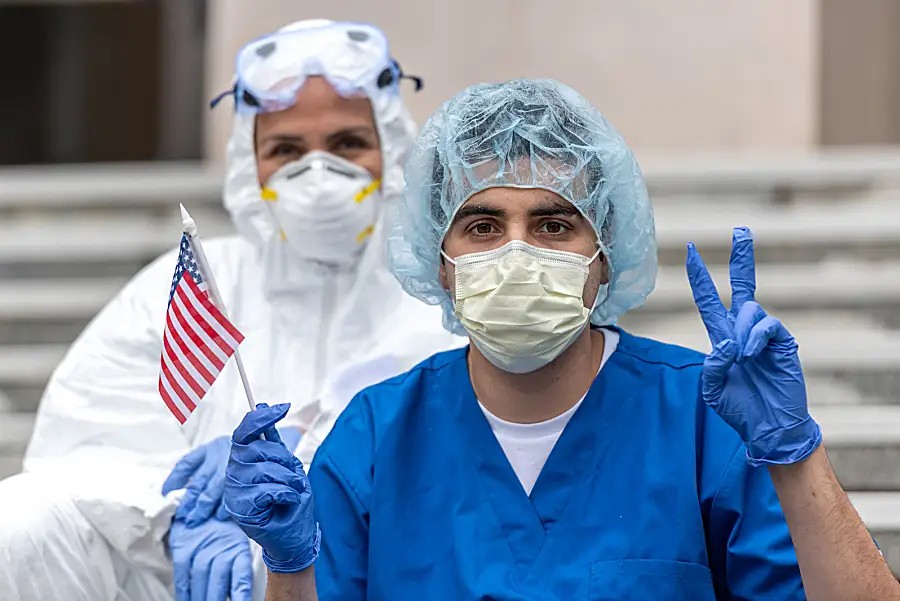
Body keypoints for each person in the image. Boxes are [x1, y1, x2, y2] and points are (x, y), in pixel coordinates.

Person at [225, 78, 900, 600]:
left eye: (553, 225)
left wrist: (794, 455)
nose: (516, 254)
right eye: (483, 226)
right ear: (439, 259)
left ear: (604, 252)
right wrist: (288, 565)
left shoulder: (703, 421)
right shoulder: (376, 438)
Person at [0, 19, 462, 601]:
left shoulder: (440, 293)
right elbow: (83, 445)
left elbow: (460, 469)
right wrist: (180, 512)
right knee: (19, 521)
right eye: (286, 149)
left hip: (362, 573)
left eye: (347, 143)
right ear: (252, 165)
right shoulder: (198, 282)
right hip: (188, 570)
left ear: (390, 150)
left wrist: (297, 492)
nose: (317, 173)